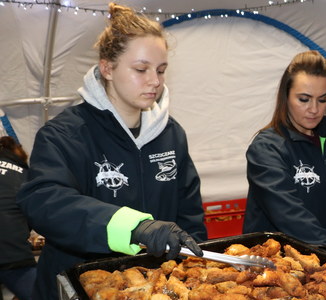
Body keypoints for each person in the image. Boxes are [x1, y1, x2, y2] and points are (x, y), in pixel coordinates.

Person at [16, 3, 206, 299]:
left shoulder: (171, 134)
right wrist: (135, 227)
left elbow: (190, 213)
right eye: (141, 69)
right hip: (80, 285)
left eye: (161, 70)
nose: (154, 81)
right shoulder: (65, 134)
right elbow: (45, 201)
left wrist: (194, 269)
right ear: (107, 68)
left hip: (154, 287)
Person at [243, 50, 326, 263]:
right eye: (304, 99)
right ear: (286, 96)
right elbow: (288, 213)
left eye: (322, 100)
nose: (314, 109)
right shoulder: (266, 148)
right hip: (273, 265)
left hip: (319, 260)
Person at [0, 136, 36, 300]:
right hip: (13, 253)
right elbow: (34, 216)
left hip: (10, 251)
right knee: (41, 295)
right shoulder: (25, 175)